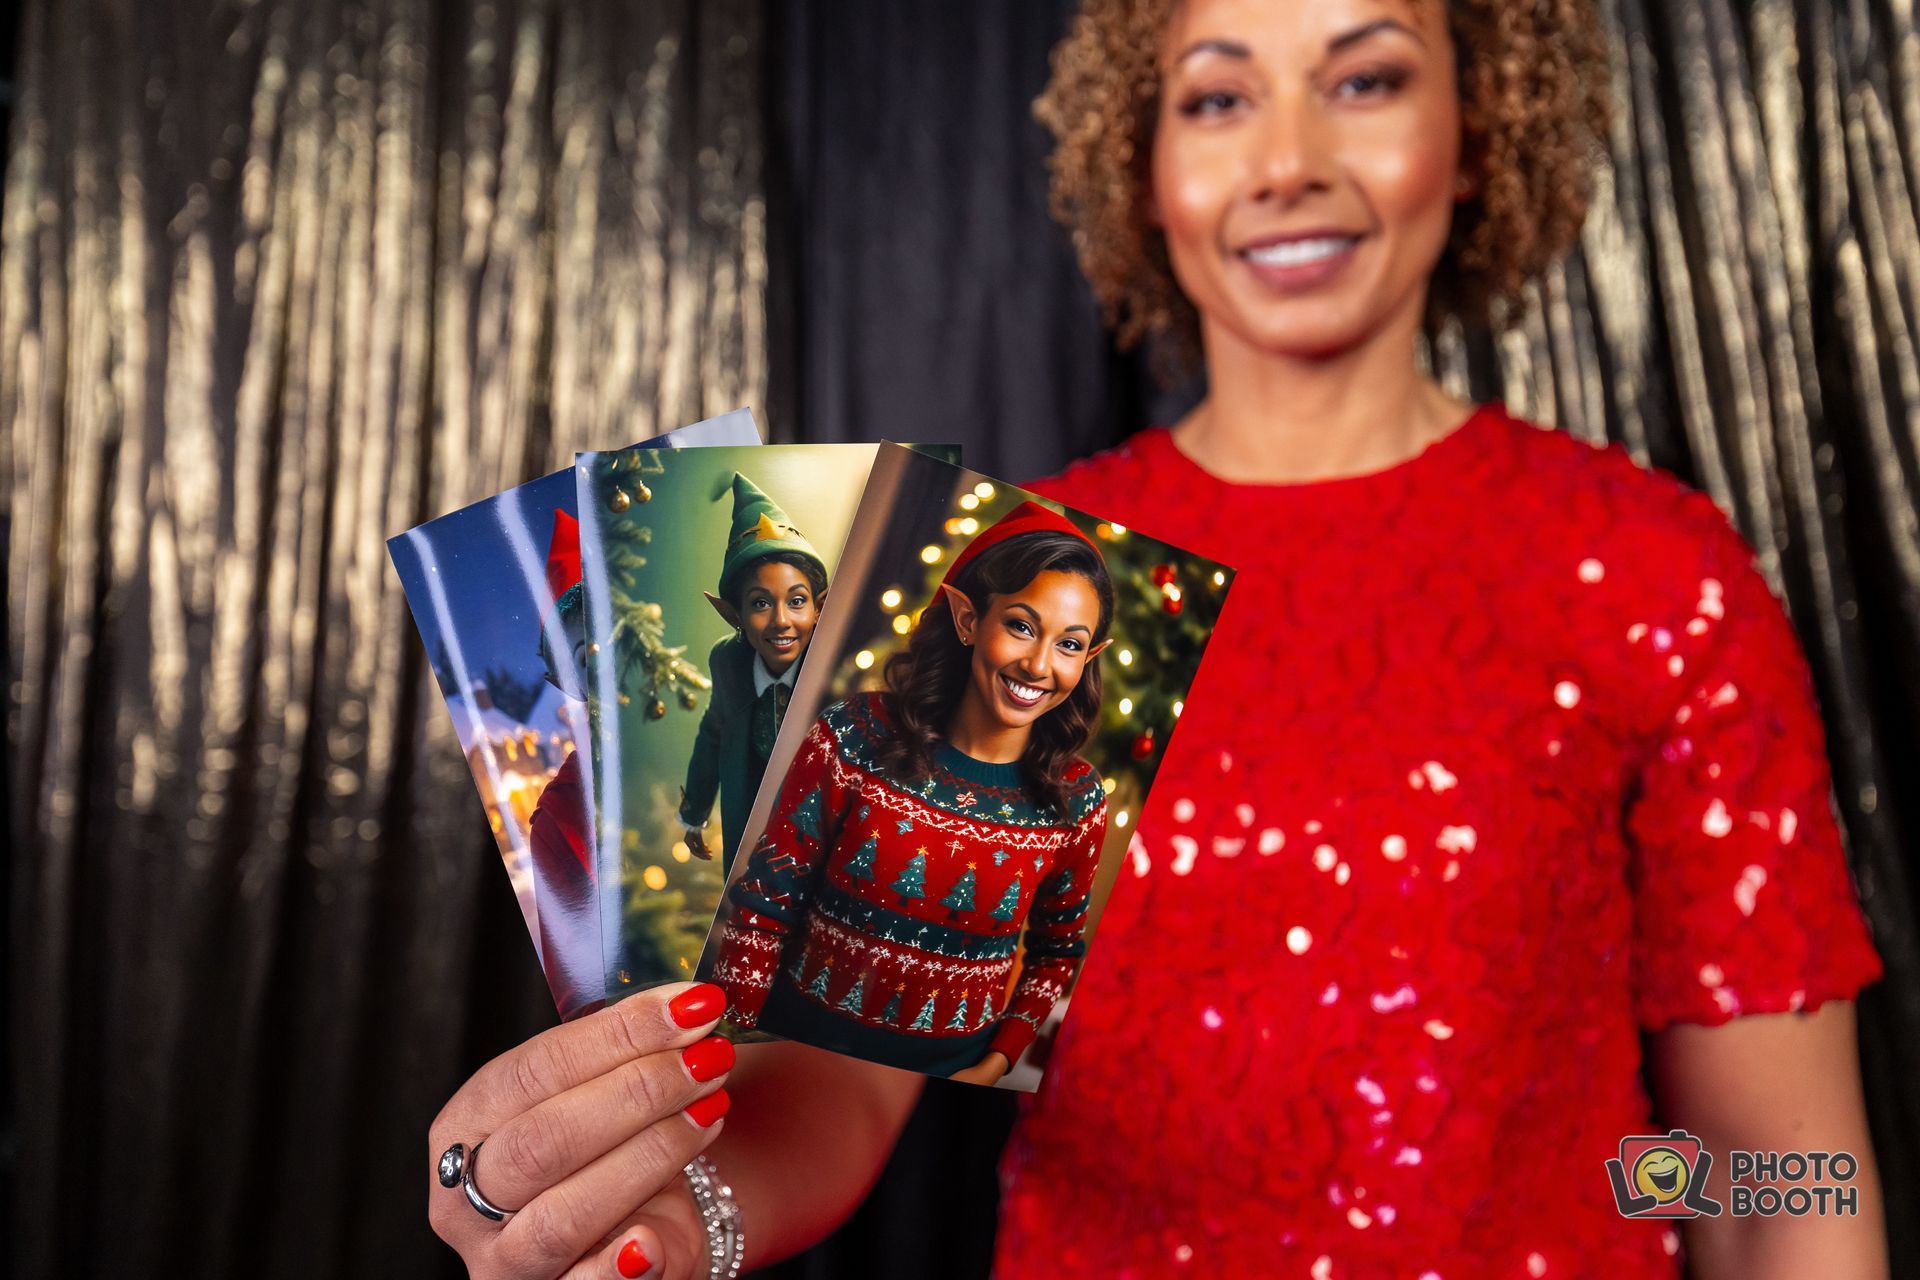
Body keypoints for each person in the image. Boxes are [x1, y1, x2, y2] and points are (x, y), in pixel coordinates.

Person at [427, 1, 1890, 1276]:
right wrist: (680, 1221)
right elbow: (843, 1091)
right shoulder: (1021, 577)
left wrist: (1608, 1189)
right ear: (1145, 159)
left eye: (1366, 78)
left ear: (1486, 119)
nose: (1287, 159)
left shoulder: (1649, 570)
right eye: (1218, 95)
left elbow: (1789, 1182)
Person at [709, 501, 1114, 1083]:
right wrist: (740, 1048)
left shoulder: (1078, 799)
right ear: (969, 620)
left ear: (1089, 657)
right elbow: (765, 905)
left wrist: (993, 1068)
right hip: (791, 1062)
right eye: (1022, 626)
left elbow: (1056, 956)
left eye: (1070, 644)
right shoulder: (853, 734)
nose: (1038, 664)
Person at [678, 474, 830, 874]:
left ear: (820, 608)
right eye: (761, 603)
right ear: (735, 616)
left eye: (797, 601)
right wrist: (694, 812)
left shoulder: (835, 666)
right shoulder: (729, 663)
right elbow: (713, 735)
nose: (781, 621)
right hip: (754, 821)